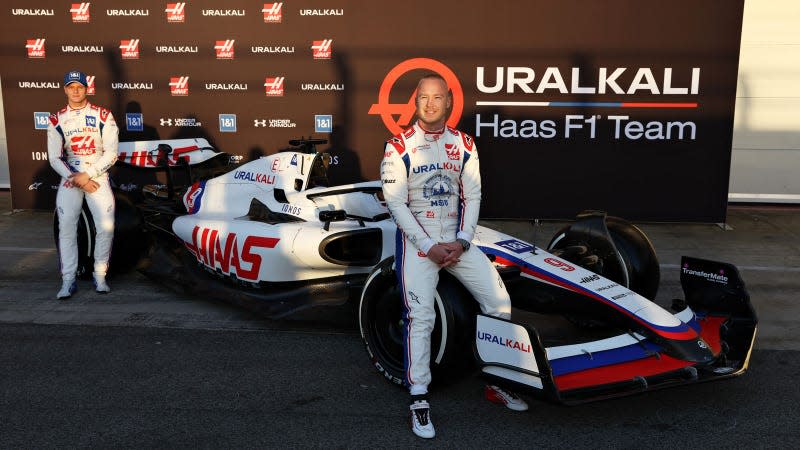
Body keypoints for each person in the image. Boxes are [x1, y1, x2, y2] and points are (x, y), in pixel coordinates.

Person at [380, 74, 528, 439]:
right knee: (420, 315)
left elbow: (472, 196)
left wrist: (461, 241)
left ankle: (496, 381)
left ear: (448, 102)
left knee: (499, 302)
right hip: (418, 243)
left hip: (456, 239)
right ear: (415, 103)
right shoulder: (397, 146)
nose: (430, 104)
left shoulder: (463, 143)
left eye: (437, 98)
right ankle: (418, 398)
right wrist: (429, 245)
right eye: (423, 98)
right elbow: (395, 202)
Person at [48, 70, 118, 299]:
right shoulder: (56, 119)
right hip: (70, 176)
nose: (75, 90)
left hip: (96, 173)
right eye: (71, 86)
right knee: (67, 227)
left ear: (87, 89)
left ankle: (100, 276)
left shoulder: (103, 115)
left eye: (80, 86)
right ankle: (68, 280)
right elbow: (54, 158)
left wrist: (88, 175)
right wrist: (78, 179)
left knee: (105, 227)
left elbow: (111, 153)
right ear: (65, 89)